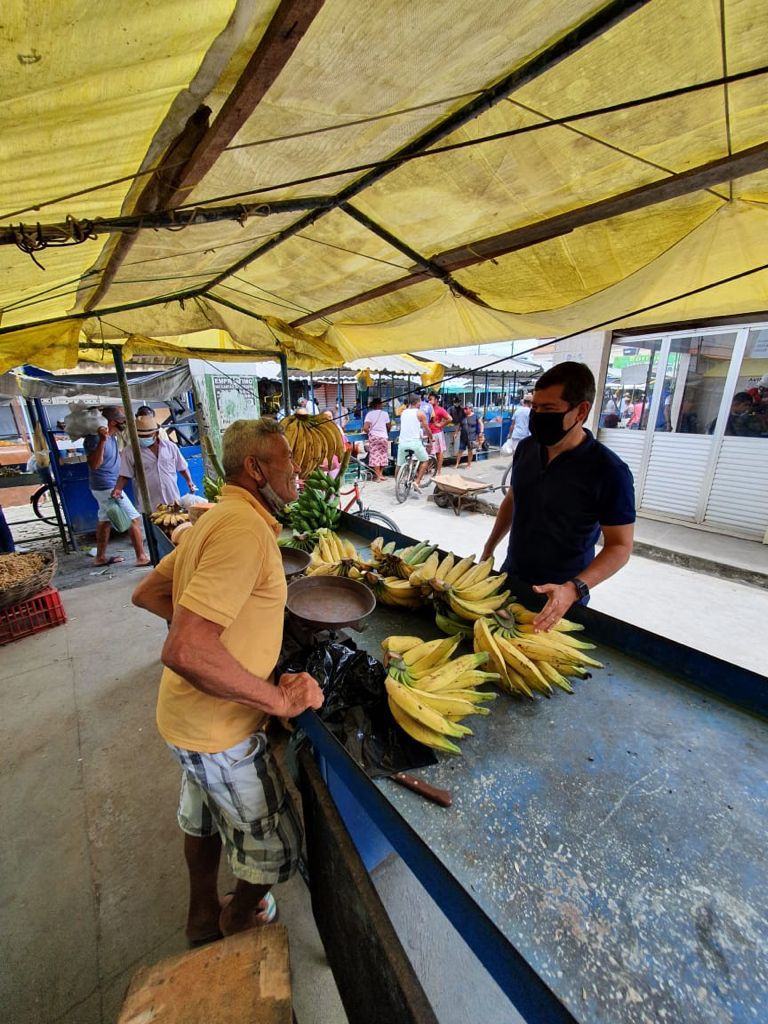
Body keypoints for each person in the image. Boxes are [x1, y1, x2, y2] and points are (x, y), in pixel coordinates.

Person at [131, 417, 324, 943]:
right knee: (276, 848)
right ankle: (237, 918)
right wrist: (277, 701)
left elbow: (147, 594)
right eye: (288, 460)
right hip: (222, 733)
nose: (299, 469)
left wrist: (221, 632)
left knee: (203, 818)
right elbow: (186, 647)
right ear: (255, 468)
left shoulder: (217, 519)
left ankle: (199, 917)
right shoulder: (242, 532)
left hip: (184, 721)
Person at [481, 362, 635, 632]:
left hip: (560, 596)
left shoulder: (609, 472)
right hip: (511, 575)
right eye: (536, 407)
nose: (538, 416)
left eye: (549, 409)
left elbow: (620, 547)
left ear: (581, 411)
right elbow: (514, 499)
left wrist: (574, 589)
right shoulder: (527, 448)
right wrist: (489, 548)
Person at [83, 405, 149, 567]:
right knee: (133, 518)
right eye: (122, 420)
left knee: (104, 521)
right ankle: (141, 557)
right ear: (113, 422)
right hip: (107, 486)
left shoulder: (112, 437)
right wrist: (103, 441)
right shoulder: (96, 439)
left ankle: (100, 557)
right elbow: (94, 464)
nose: (124, 423)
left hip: (107, 485)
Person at [113, 414, 196, 513]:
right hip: (148, 504)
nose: (143, 438)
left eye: (146, 436)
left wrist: (189, 482)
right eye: (140, 436)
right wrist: (118, 489)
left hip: (172, 499)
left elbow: (182, 467)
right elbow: (125, 474)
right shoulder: (130, 452)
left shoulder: (170, 447)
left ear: (156, 434)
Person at [396, 394, 431, 495]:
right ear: (417, 402)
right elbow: (427, 429)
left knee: (399, 464)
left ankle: (397, 483)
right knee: (425, 460)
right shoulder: (420, 413)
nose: (420, 403)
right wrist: (431, 438)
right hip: (415, 443)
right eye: (420, 401)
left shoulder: (403, 412)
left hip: (402, 443)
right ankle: (417, 481)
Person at [362, 397, 391, 481]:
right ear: (379, 404)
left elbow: (365, 428)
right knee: (383, 455)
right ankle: (381, 474)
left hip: (374, 437)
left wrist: (370, 433)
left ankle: (378, 476)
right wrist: (386, 431)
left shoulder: (369, 414)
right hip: (383, 437)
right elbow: (388, 426)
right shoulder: (385, 414)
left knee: (375, 456)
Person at [427, 392, 451, 474]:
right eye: (428, 400)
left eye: (431, 399)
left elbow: (449, 419)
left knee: (439, 452)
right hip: (428, 433)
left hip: (436, 434)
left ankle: (439, 470)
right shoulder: (427, 409)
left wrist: (440, 424)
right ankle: (428, 469)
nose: (429, 401)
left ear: (436, 400)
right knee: (428, 453)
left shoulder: (440, 409)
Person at [455, 403, 483, 469]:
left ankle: (469, 465)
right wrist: (456, 433)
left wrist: (481, 432)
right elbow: (459, 425)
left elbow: (481, 424)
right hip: (463, 437)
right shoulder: (462, 417)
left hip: (471, 437)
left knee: (470, 451)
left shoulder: (476, 416)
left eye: (466, 408)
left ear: (470, 409)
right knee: (460, 451)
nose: (464, 410)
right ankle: (456, 464)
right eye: (464, 408)